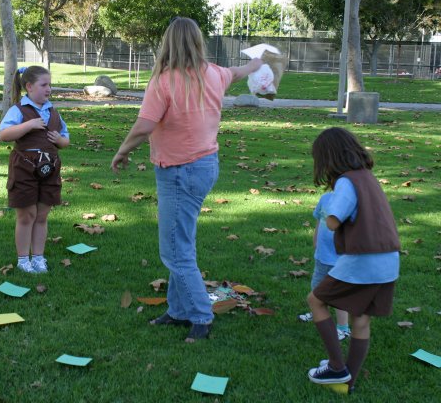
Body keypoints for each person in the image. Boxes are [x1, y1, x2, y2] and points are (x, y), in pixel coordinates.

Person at [111, 17, 263, 342]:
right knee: (181, 242)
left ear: (167, 43)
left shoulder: (164, 81)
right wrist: (255, 64)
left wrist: (122, 152)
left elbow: (144, 126)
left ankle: (200, 316)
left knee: (175, 251)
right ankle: (178, 310)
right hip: (205, 167)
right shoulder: (214, 73)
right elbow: (235, 74)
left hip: (179, 172)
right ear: (197, 42)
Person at [306, 127, 400, 391]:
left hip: (363, 259)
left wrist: (328, 212)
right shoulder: (367, 177)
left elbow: (334, 221)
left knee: (316, 300)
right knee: (360, 317)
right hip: (388, 259)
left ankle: (336, 368)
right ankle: (350, 382)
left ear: (328, 157)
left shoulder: (347, 181)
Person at [0, 66, 69, 274]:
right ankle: (23, 260)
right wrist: (28, 126)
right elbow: (4, 134)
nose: (49, 89)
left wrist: (60, 140)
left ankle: (38, 257)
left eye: (50, 84)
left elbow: (65, 139)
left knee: (42, 214)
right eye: (44, 85)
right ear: (29, 87)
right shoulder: (18, 110)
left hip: (50, 169)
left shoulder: (53, 111)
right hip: (25, 169)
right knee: (27, 214)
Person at [297, 191, 351, 341]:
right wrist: (315, 239)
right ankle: (317, 311)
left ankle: (343, 328)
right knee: (317, 287)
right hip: (322, 256)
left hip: (340, 259)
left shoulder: (350, 202)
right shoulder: (326, 198)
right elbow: (319, 220)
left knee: (339, 295)